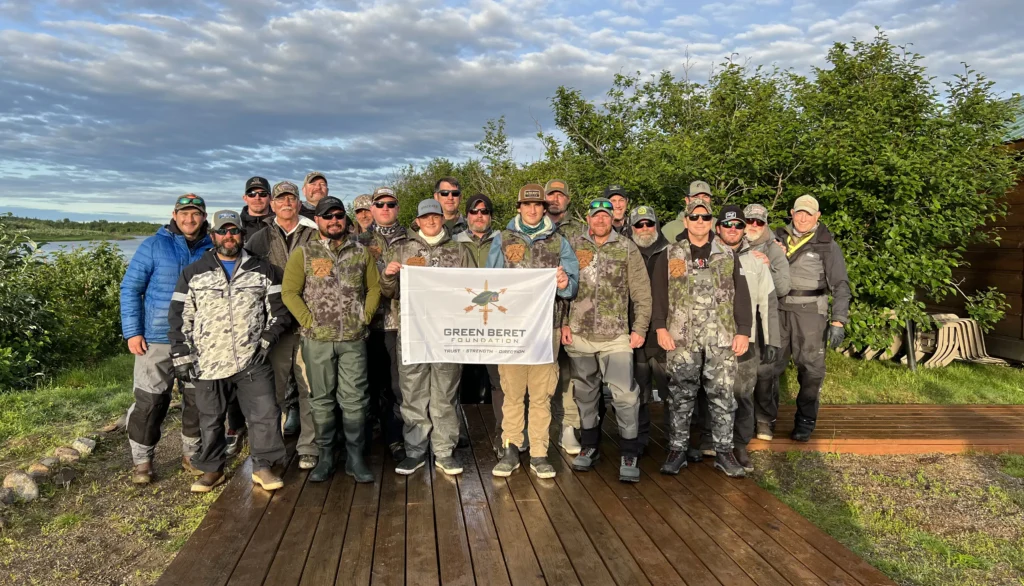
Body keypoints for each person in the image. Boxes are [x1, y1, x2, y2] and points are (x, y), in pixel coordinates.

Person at [168, 210, 290, 493]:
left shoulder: (263, 270)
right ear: (213, 236)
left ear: (242, 235)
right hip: (208, 361)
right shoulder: (194, 273)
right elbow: (178, 317)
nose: (229, 236)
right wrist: (182, 356)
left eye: (234, 231)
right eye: (223, 231)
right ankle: (212, 469)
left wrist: (266, 341)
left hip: (251, 359)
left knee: (265, 413)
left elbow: (280, 313)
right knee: (210, 418)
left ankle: (263, 466)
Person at [281, 196, 381, 483]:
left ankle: (355, 457)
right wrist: (309, 321)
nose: (334, 220)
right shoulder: (304, 253)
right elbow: (289, 292)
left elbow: (373, 288)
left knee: (356, 401)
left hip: (353, 340)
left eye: (339, 215)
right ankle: (325, 456)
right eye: (328, 216)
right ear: (319, 221)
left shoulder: (361, 253)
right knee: (322, 400)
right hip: (317, 342)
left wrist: (365, 316)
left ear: (345, 220)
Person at [486, 183, 579, 479]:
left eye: (537, 205)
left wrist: (565, 283)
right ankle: (511, 448)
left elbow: (572, 285)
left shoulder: (559, 241)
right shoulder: (501, 239)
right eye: (526, 205)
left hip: (545, 329)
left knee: (541, 395)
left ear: (544, 207)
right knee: (512, 393)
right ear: (518, 208)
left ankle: (539, 452)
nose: (532, 209)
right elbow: (489, 281)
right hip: (511, 330)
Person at [655, 199, 752, 478]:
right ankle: (677, 450)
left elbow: (741, 295)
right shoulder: (670, 253)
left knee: (722, 394)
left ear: (711, 222)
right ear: (685, 221)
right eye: (694, 217)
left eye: (705, 217)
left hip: (721, 335)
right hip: (681, 335)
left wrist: (743, 330)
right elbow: (659, 293)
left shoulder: (727, 253)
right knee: (680, 394)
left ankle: (724, 451)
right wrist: (660, 327)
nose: (700, 222)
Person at [121, 194, 212, 485]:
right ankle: (143, 461)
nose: (189, 219)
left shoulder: (213, 247)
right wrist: (133, 331)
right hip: (155, 338)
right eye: (184, 214)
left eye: (195, 214)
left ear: (203, 216)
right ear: (174, 215)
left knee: (196, 400)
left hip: (199, 339)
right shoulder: (153, 246)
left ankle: (191, 454)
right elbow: (130, 289)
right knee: (150, 401)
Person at [380, 199, 473, 476]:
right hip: (413, 333)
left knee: (445, 393)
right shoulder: (401, 248)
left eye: (436, 216)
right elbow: (389, 291)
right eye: (426, 217)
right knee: (413, 393)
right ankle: (415, 451)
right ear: (417, 221)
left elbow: (472, 287)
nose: (431, 221)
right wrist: (388, 275)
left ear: (442, 219)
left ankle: (444, 451)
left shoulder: (459, 250)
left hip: (448, 334)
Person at [561, 198, 651, 482]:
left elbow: (641, 292)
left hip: (616, 335)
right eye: (596, 216)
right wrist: (563, 323)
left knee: (624, 394)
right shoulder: (573, 245)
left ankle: (629, 450)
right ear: (587, 218)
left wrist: (640, 328)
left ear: (613, 218)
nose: (600, 220)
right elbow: (561, 286)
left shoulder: (627, 247)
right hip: (579, 333)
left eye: (606, 216)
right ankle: (589, 446)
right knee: (585, 394)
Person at [243, 181, 320, 469]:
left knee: (309, 390)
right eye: (280, 199)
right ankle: (270, 450)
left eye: (291, 198)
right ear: (272, 205)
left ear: (299, 203)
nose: (286, 203)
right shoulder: (259, 240)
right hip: (273, 328)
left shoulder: (315, 233)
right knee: (270, 392)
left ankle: (309, 447)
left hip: (309, 324)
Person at [769, 195, 851, 441]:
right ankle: (765, 419)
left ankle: (805, 422)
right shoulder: (775, 237)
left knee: (810, 369)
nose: (803, 218)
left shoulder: (827, 244)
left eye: (809, 213)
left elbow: (840, 284)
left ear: (818, 216)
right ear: (791, 213)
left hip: (811, 312)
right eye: (799, 212)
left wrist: (839, 320)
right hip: (778, 309)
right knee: (769, 367)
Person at [711, 205, 780, 472]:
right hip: (712, 338)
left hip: (746, 339)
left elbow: (768, 303)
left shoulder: (757, 260)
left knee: (742, 393)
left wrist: (772, 339)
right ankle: (711, 441)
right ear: (718, 228)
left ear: (743, 229)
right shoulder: (705, 255)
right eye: (727, 225)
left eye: (738, 225)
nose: (732, 229)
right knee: (712, 392)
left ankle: (739, 445)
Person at [357, 186, 407, 463]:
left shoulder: (411, 240)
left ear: (397, 208)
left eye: (391, 204)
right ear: (372, 209)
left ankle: (395, 438)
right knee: (368, 386)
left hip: (401, 324)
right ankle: (366, 438)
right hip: (366, 325)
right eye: (380, 204)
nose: (385, 208)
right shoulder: (359, 241)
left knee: (397, 387)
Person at [454, 194, 507, 448]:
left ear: (491, 216)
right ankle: (454, 432)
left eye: (484, 211)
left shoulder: (504, 243)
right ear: (466, 215)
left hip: (495, 320)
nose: (479, 216)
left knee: (500, 380)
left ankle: (503, 433)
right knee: (452, 379)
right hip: (461, 320)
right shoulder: (453, 243)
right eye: (474, 211)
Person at [743, 203, 792, 442]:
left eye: (758, 222)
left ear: (765, 224)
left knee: (764, 374)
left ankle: (764, 420)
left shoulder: (774, 249)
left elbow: (783, 286)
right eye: (749, 221)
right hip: (737, 321)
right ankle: (739, 421)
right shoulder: (731, 242)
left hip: (763, 319)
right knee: (737, 375)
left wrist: (767, 267)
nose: (753, 226)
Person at [628, 206, 670, 456]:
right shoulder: (625, 250)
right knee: (638, 391)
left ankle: (675, 440)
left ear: (657, 224)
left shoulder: (672, 250)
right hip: (636, 332)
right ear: (632, 228)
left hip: (666, 332)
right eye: (639, 225)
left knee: (672, 390)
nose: (645, 229)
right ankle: (641, 438)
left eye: (649, 224)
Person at [544, 179, 583, 455]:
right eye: (550, 194)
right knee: (539, 376)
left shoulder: (580, 233)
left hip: (568, 317)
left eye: (561, 194)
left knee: (568, 376)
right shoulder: (528, 232)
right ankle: (539, 430)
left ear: (568, 200)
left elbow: (582, 281)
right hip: (536, 321)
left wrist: (569, 319)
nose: (555, 198)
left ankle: (569, 427)